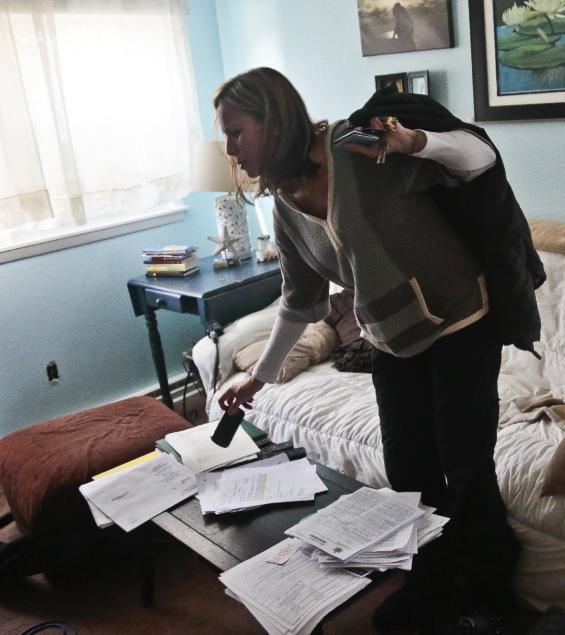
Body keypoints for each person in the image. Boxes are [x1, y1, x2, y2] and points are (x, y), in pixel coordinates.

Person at [214, 67, 543, 634]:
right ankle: (434, 585)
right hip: (391, 340)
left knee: (465, 467)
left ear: (273, 119)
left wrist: (415, 142)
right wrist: (259, 379)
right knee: (410, 472)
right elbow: (301, 302)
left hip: (461, 322)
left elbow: (478, 158)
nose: (230, 149)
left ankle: (492, 595)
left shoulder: (358, 148)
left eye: (236, 132)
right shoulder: (286, 205)